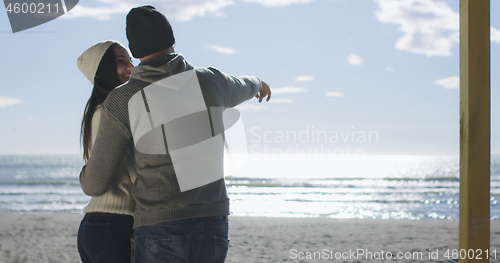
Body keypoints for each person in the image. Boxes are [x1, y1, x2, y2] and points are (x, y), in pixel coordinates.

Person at [79, 6, 271, 263]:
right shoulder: (212, 81)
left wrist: (84, 173)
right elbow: (244, 84)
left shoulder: (123, 98)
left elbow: (95, 184)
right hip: (214, 225)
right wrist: (259, 83)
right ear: (172, 41)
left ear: (135, 52)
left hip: (161, 226)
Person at [76, 40, 137, 263]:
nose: (131, 68)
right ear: (103, 70)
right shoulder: (108, 114)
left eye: (131, 61)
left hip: (102, 227)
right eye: (122, 62)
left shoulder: (101, 111)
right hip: (115, 227)